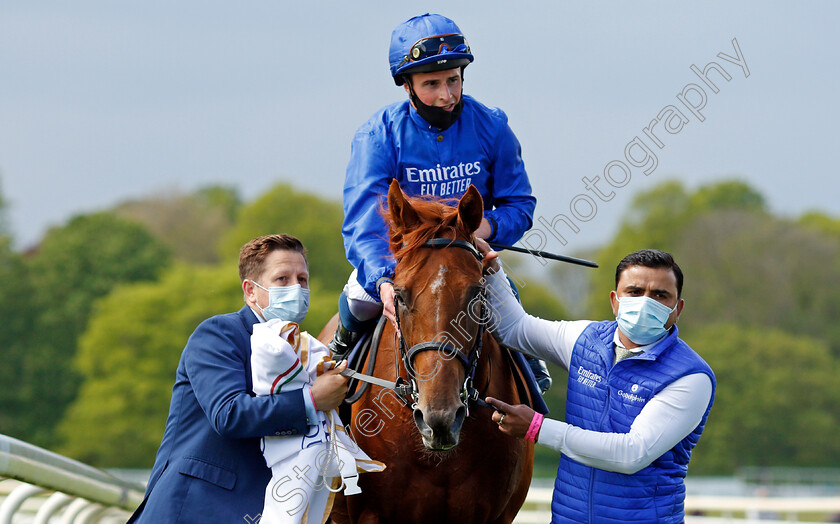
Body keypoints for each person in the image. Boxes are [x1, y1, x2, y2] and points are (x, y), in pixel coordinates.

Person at [332, 13, 552, 391]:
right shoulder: (377, 136)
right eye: (432, 84)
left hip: (470, 255)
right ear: (407, 85)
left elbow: (520, 203)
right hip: (400, 259)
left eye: (453, 80)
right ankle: (338, 368)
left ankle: (529, 378)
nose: (447, 95)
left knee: (509, 299)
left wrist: (486, 227)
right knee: (357, 301)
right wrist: (384, 281)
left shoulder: (493, 125)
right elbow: (363, 224)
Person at [478, 243, 716, 523]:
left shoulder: (691, 376)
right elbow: (515, 329)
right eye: (635, 292)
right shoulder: (583, 338)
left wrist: (537, 428)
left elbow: (631, 454)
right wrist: (493, 270)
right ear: (615, 301)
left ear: (678, 309)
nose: (645, 302)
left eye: (660, 295)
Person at [128, 234, 350, 524]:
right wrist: (312, 400)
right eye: (282, 279)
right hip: (191, 510)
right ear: (250, 291)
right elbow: (228, 414)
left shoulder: (306, 352)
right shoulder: (219, 333)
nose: (296, 288)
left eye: (303, 279)